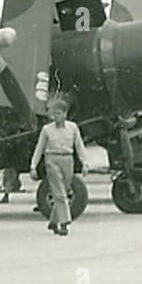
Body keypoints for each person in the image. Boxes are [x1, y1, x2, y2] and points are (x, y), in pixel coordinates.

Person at [29, 97, 87, 235]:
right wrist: (33, 166)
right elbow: (39, 148)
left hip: (67, 160)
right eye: (54, 114)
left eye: (58, 113)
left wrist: (85, 163)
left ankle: (54, 221)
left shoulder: (73, 128)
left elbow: (79, 146)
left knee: (63, 192)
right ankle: (64, 223)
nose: (55, 117)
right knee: (59, 192)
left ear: (65, 114)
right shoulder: (46, 130)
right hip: (52, 160)